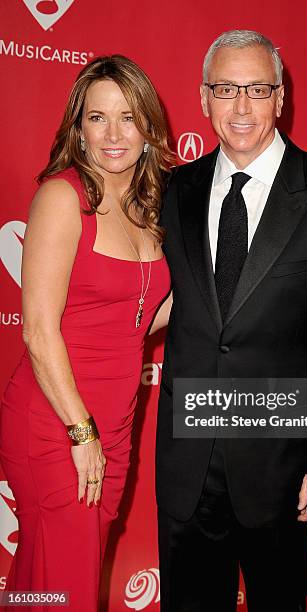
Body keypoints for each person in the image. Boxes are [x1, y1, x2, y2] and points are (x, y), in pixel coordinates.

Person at [156, 30, 307, 611]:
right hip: (188, 463)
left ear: (280, 97)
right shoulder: (173, 191)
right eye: (225, 89)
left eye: (257, 89)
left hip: (283, 467)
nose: (240, 106)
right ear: (203, 98)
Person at [0, 55, 173, 611]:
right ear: (79, 127)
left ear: (148, 127)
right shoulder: (63, 197)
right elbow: (37, 331)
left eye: (128, 117)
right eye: (98, 118)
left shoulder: (147, 206)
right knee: (66, 586)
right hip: (58, 423)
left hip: (114, 426)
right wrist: (82, 433)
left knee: (48, 578)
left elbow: (142, 314)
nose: (114, 133)